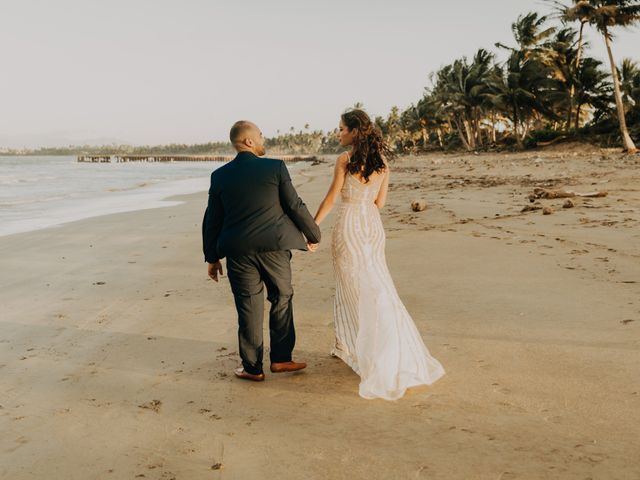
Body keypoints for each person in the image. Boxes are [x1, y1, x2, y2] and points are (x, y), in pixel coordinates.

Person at [313, 109, 445, 400]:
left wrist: (312, 229)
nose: (339, 134)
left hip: (348, 225)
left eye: (342, 129)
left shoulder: (344, 160)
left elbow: (332, 197)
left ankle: (355, 347)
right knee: (376, 284)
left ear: (354, 131)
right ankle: (364, 345)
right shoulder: (383, 163)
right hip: (371, 226)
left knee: (351, 288)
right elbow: (380, 202)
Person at [202, 120, 321, 381]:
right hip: (274, 249)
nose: (263, 139)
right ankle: (280, 359)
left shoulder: (219, 175)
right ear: (248, 141)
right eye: (260, 135)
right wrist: (313, 235)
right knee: (282, 297)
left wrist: (212, 258)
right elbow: (294, 205)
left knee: (248, 307)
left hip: (238, 251)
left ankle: (252, 368)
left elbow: (212, 219)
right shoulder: (275, 167)